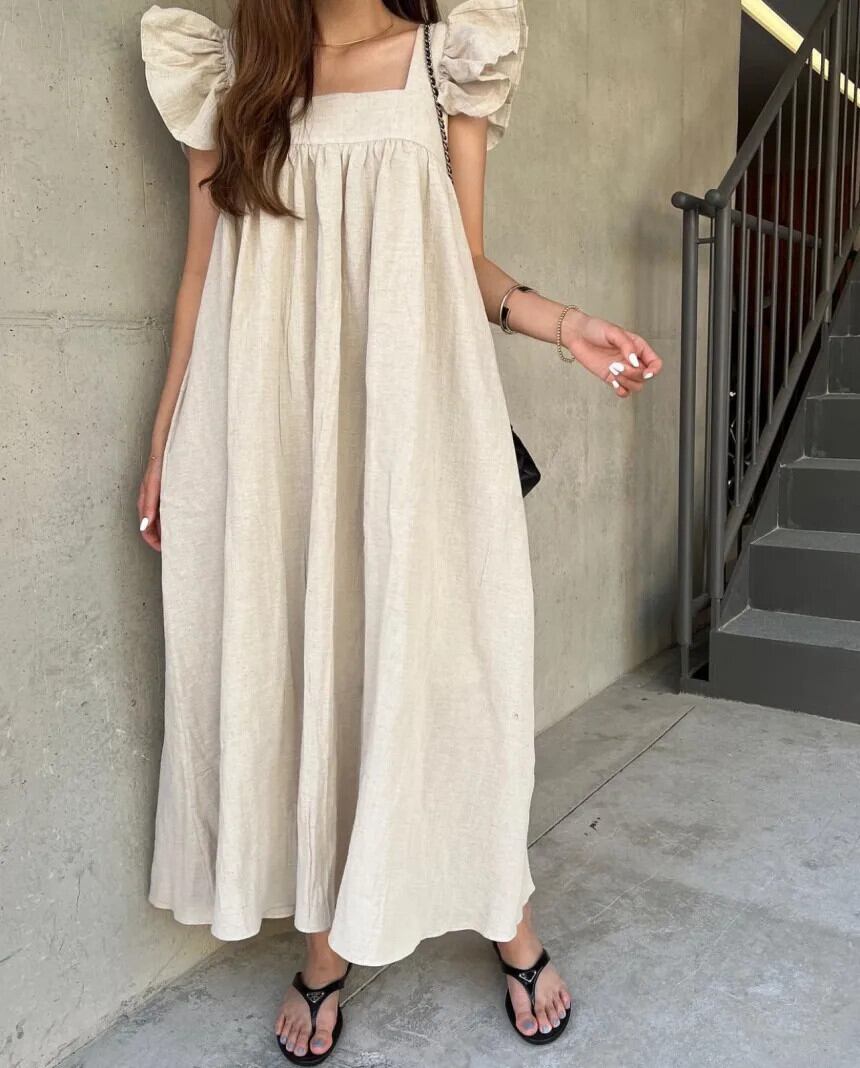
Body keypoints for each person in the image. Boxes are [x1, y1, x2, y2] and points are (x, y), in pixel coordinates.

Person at [137, 1, 662, 1062]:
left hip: (413, 431)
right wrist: (163, 444)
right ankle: (327, 941)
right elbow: (200, 273)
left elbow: (461, 262)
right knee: (312, 676)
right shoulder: (232, 78)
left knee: (450, 672)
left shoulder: (443, 60)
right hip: (272, 437)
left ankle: (504, 912)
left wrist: (561, 323)